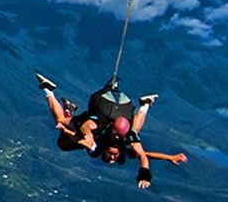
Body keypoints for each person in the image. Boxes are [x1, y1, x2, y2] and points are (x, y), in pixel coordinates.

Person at [37, 73, 187, 189]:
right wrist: (150, 171)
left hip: (104, 109)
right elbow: (144, 156)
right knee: (133, 132)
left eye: (109, 157)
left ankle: (50, 92)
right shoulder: (124, 141)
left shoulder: (97, 144)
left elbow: (81, 136)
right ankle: (145, 105)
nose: (113, 157)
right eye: (115, 158)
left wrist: (74, 132)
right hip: (108, 107)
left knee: (63, 136)